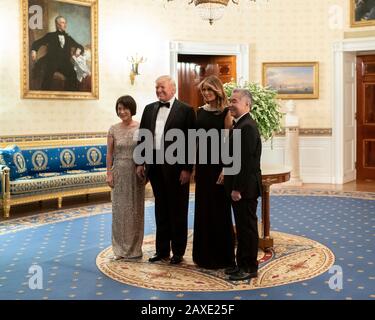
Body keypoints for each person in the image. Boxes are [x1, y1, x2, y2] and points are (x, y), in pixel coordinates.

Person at [136, 75, 196, 265]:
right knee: (160, 209)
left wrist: (187, 169)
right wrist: (140, 162)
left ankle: (178, 252)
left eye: (162, 87)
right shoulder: (149, 109)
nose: (159, 90)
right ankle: (161, 251)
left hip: (177, 169)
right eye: (157, 87)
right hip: (154, 168)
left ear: (173, 89)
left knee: (178, 210)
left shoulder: (186, 110)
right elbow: (143, 137)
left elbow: (192, 141)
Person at [192, 75, 235, 269]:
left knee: (220, 210)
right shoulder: (199, 112)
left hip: (219, 167)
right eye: (204, 90)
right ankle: (203, 256)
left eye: (209, 90)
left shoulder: (227, 112)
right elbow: (197, 141)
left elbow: (229, 143)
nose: (206, 93)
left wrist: (226, 169)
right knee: (203, 209)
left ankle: (222, 257)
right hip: (203, 167)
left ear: (217, 91)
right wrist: (193, 166)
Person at [223, 88, 262, 281]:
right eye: (230, 100)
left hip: (244, 189)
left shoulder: (247, 126)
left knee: (247, 229)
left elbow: (245, 163)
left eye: (235, 101)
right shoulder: (240, 125)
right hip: (240, 187)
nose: (230, 103)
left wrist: (237, 188)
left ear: (247, 104)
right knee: (242, 227)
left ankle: (249, 267)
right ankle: (241, 264)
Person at [107, 95, 145, 260]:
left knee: (135, 211)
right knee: (119, 212)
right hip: (119, 173)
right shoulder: (113, 129)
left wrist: (143, 168)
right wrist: (109, 173)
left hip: (135, 173)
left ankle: (135, 249)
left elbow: (145, 151)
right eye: (119, 109)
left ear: (132, 109)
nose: (122, 112)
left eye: (125, 108)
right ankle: (119, 249)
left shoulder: (140, 128)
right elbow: (109, 154)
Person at [30, 15, 84, 91]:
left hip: (64, 63)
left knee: (73, 74)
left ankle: (69, 95)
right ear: (57, 24)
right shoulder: (50, 36)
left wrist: (79, 49)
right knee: (47, 75)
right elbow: (37, 43)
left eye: (65, 23)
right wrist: (34, 51)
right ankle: (44, 95)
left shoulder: (68, 38)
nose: (65, 25)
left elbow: (79, 45)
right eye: (62, 23)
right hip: (51, 61)